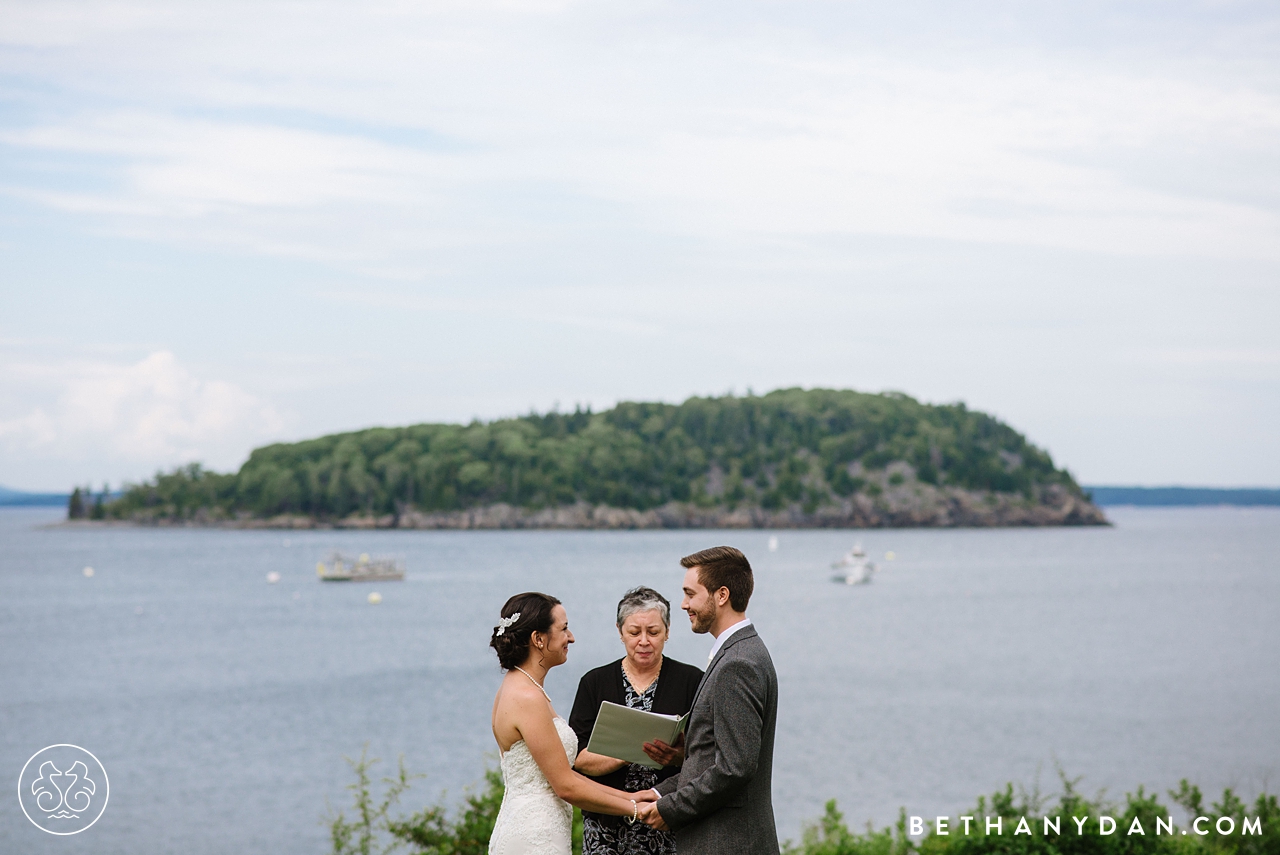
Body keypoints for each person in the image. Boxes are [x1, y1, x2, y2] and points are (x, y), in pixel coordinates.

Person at [488, 592, 657, 855]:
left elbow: (566, 776)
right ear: (538, 639)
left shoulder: (518, 687)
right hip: (535, 836)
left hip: (533, 826)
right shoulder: (526, 696)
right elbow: (565, 785)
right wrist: (634, 808)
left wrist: (630, 796)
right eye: (564, 628)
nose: (572, 637)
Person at [637, 547, 779, 855]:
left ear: (721, 595)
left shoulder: (737, 664)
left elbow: (734, 768)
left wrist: (671, 809)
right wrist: (656, 793)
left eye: (690, 593)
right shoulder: (742, 652)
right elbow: (714, 757)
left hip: (728, 843)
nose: (684, 604)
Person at [569, 587, 704, 855]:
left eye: (653, 632)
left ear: (667, 631)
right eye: (634, 633)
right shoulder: (594, 682)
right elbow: (576, 759)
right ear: (620, 632)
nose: (644, 641)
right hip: (605, 825)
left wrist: (677, 756)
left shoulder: (692, 681)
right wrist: (630, 750)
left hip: (668, 820)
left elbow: (706, 754)